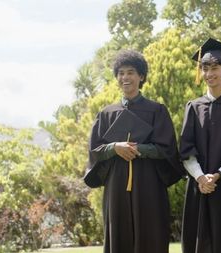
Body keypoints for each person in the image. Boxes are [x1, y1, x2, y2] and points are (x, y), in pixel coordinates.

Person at [83, 50, 184, 253]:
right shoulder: (106, 114)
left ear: (141, 76)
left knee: (151, 234)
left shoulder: (157, 111)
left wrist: (138, 149)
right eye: (121, 73)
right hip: (117, 187)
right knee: (119, 236)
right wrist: (115, 148)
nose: (125, 77)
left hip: (149, 185)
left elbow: (168, 150)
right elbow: (95, 151)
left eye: (130, 72)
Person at [179, 38, 221, 253]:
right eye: (205, 68)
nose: (209, 74)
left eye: (215, 68)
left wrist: (217, 175)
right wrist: (200, 177)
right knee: (198, 239)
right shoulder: (193, 107)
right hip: (199, 187)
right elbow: (186, 148)